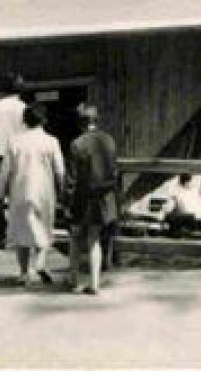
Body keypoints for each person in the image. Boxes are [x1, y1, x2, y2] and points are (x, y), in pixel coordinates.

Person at [0, 104, 66, 286]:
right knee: (43, 228)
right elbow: (60, 171)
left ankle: (23, 273)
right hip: (44, 192)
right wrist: (62, 190)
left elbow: (4, 172)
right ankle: (40, 262)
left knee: (22, 232)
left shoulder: (14, 141)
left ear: (24, 120)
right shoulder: (51, 141)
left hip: (20, 191)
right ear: (44, 120)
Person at [66, 103, 118, 295]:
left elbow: (72, 179)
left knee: (76, 237)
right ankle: (95, 283)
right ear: (96, 120)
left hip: (82, 199)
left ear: (80, 122)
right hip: (103, 198)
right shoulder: (109, 141)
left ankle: (74, 279)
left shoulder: (77, 144)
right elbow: (114, 171)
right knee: (94, 239)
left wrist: (67, 203)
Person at [0, 73, 29, 248]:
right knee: (17, 196)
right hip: (19, 155)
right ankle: (16, 234)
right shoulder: (24, 108)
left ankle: (1, 233)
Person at [163, 173, 201, 238]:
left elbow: (200, 202)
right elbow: (180, 207)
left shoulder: (193, 191)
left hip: (197, 214)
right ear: (186, 182)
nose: (193, 184)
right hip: (191, 215)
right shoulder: (178, 193)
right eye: (191, 182)